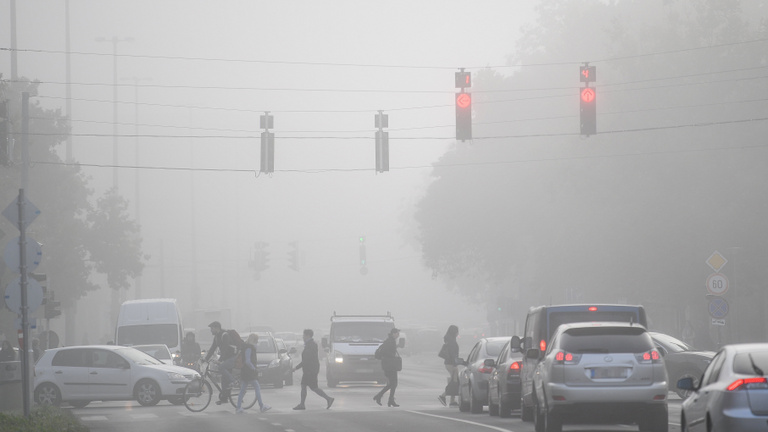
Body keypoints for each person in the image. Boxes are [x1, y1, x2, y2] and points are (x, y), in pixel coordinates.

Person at [293, 329, 334, 410]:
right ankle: (302, 404)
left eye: (304, 335)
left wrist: (296, 368)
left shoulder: (311, 345)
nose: (303, 337)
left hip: (310, 370)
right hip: (310, 370)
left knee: (312, 387)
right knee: (307, 386)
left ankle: (328, 399)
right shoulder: (310, 344)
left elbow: (306, 360)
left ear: (308, 335)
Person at [203, 321, 238, 404]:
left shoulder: (224, 335)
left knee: (221, 367)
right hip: (226, 358)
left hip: (233, 357)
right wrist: (205, 359)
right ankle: (224, 398)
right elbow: (212, 349)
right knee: (224, 379)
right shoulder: (216, 337)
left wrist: (220, 360)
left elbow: (225, 349)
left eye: (212, 329)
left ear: (217, 328)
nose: (211, 330)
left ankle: (233, 381)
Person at [236, 333, 270, 413]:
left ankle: (238, 407)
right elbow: (248, 361)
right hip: (249, 372)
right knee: (257, 387)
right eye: (257, 341)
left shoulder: (246, 347)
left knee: (243, 389)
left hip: (245, 371)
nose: (257, 342)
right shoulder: (249, 348)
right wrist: (253, 368)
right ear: (254, 340)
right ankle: (261, 406)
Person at [373, 328, 402, 407]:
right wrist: (393, 356)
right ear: (393, 333)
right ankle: (384, 398)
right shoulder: (390, 341)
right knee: (393, 383)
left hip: (389, 365)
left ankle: (386, 398)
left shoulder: (390, 341)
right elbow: (386, 352)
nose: (398, 335)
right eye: (397, 333)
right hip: (390, 365)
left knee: (392, 384)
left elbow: (388, 351)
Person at [438, 324, 460, 407]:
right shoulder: (452, 341)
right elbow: (453, 353)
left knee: (454, 381)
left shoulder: (449, 339)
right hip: (451, 363)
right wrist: (455, 364)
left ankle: (452, 400)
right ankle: (443, 395)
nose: (458, 333)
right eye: (457, 331)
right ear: (454, 332)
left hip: (449, 363)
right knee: (454, 382)